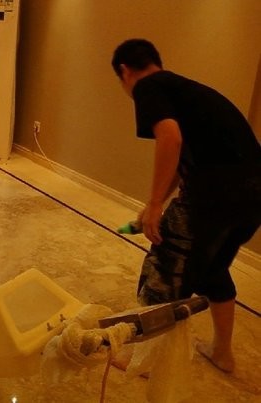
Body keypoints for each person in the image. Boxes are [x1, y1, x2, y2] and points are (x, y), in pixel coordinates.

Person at [111, 38, 261, 373]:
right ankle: (222, 352)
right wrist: (156, 203)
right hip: (253, 198)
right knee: (212, 269)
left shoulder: (148, 86)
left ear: (125, 71)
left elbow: (170, 138)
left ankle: (143, 359)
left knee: (164, 268)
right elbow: (184, 158)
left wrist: (154, 205)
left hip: (213, 195)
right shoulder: (186, 91)